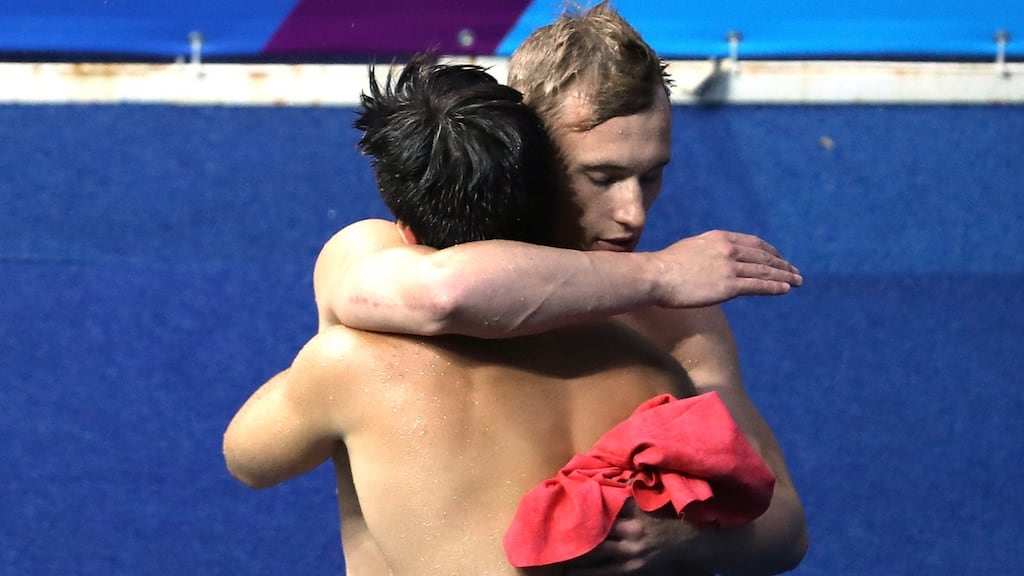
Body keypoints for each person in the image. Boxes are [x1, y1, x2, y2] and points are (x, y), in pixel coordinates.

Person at [225, 54, 778, 575]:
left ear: (407, 229)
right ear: (545, 179)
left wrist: (329, 357)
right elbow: (446, 292)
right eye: (602, 177)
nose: (631, 214)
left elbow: (247, 459)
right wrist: (663, 275)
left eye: (649, 175)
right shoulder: (656, 371)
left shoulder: (348, 361)